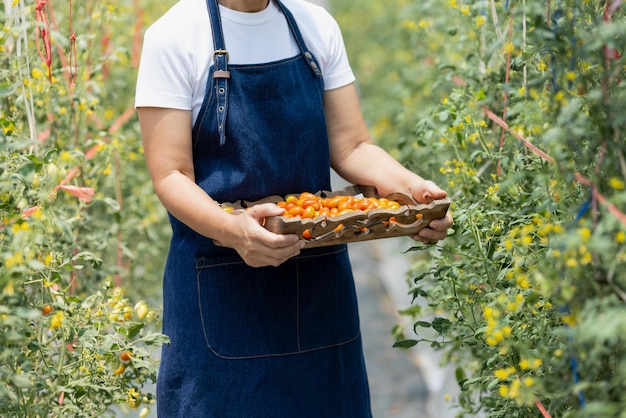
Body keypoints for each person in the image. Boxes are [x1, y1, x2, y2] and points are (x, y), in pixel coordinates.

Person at [135, 0, 453, 416]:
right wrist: (234, 230)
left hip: (320, 293)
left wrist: (412, 191)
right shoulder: (174, 36)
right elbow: (171, 174)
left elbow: (352, 145)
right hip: (221, 292)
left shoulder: (314, 26)